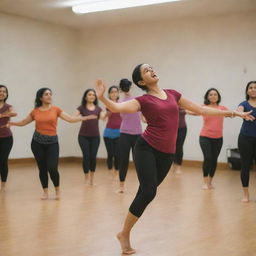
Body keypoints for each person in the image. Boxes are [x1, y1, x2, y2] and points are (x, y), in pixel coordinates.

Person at [95, 63, 253, 254]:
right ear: (140, 81)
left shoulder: (173, 94)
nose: (151, 70)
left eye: (151, 67)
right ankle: (125, 234)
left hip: (166, 153)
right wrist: (102, 97)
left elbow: (201, 109)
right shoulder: (142, 100)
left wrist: (233, 113)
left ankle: (124, 233)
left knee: (147, 193)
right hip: (146, 148)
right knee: (148, 191)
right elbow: (118, 107)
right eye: (146, 70)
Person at [9, 87, 92, 200]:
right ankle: (45, 192)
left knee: (52, 168)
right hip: (37, 143)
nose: (49, 96)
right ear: (41, 97)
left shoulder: (56, 109)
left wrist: (85, 118)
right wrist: (13, 123)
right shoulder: (35, 111)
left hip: (52, 143)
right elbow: (24, 122)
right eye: (46, 94)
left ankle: (57, 190)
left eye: (50, 94)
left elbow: (70, 119)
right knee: (42, 168)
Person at [74, 89, 106, 186]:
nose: (92, 96)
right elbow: (74, 118)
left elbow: (103, 118)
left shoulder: (98, 109)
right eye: (89, 94)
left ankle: (92, 178)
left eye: (93, 95)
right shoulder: (81, 108)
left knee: (93, 157)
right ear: (85, 97)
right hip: (83, 136)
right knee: (86, 156)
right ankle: (86, 178)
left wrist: (106, 114)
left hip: (95, 137)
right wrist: (85, 118)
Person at [199, 88, 228, 189]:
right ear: (207, 97)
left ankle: (210, 182)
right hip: (205, 137)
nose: (213, 96)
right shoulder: (204, 107)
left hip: (218, 138)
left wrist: (240, 113)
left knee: (214, 159)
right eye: (210, 94)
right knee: (208, 158)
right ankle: (205, 182)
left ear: (218, 97)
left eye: (215, 94)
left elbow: (232, 114)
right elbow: (193, 111)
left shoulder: (222, 108)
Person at [117, 79, 142, 193]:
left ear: (131, 87)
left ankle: (142, 185)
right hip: (125, 134)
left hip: (137, 134)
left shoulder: (137, 101)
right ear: (121, 89)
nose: (127, 88)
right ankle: (121, 186)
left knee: (139, 161)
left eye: (128, 86)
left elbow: (142, 116)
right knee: (124, 160)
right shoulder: (120, 102)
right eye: (125, 87)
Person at [237, 81, 256, 202]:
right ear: (247, 91)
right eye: (251, 87)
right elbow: (239, 110)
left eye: (255, 87)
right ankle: (245, 194)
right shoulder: (243, 104)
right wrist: (241, 114)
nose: (253, 89)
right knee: (245, 165)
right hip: (245, 139)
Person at [0, 85, 17, 192]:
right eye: (0, 91)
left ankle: (3, 185)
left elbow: (14, 113)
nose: (2, 93)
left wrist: (2, 115)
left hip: (6, 138)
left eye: (4, 91)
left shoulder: (8, 106)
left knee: (3, 161)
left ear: (6, 94)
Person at [103, 86, 122, 178]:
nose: (114, 93)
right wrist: (108, 110)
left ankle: (116, 171)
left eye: (116, 92)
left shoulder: (122, 104)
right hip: (108, 133)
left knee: (118, 154)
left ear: (118, 93)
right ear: (109, 94)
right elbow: (103, 118)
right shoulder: (107, 104)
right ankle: (110, 171)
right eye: (112, 92)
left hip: (119, 132)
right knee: (110, 154)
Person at [172, 107, 187, 174]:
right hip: (171, 129)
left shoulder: (182, 105)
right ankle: (173, 164)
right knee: (171, 147)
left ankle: (178, 167)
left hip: (182, 129)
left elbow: (193, 112)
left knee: (179, 147)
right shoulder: (169, 104)